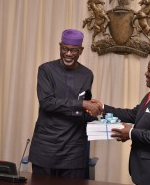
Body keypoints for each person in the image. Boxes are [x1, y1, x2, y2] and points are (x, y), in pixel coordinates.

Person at [94, 53, 150, 185]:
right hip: (148, 172)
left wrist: (130, 132)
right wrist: (102, 107)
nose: (145, 74)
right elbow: (133, 114)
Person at [28, 29, 102, 179]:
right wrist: (83, 105)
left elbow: (84, 107)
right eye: (64, 49)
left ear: (80, 51)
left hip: (74, 148)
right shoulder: (46, 70)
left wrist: (98, 114)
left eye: (73, 50)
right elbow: (47, 103)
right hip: (46, 145)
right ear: (60, 47)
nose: (68, 54)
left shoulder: (87, 74)